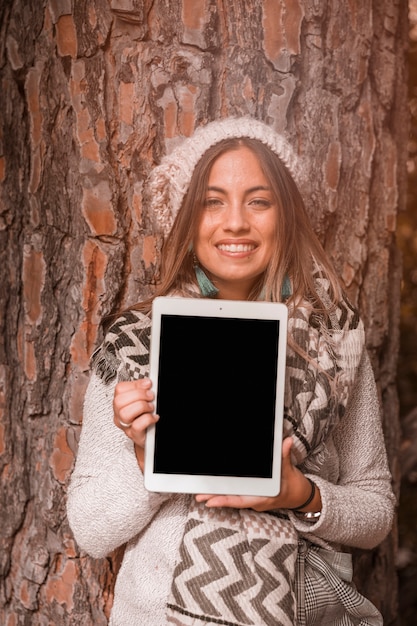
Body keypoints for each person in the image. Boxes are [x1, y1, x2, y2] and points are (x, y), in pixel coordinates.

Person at [66, 117, 396, 626]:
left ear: (285, 215)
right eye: (212, 201)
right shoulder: (137, 343)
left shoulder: (335, 342)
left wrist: (299, 496)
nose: (236, 222)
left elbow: (375, 513)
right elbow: (90, 530)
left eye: (259, 201)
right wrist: (146, 456)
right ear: (185, 217)